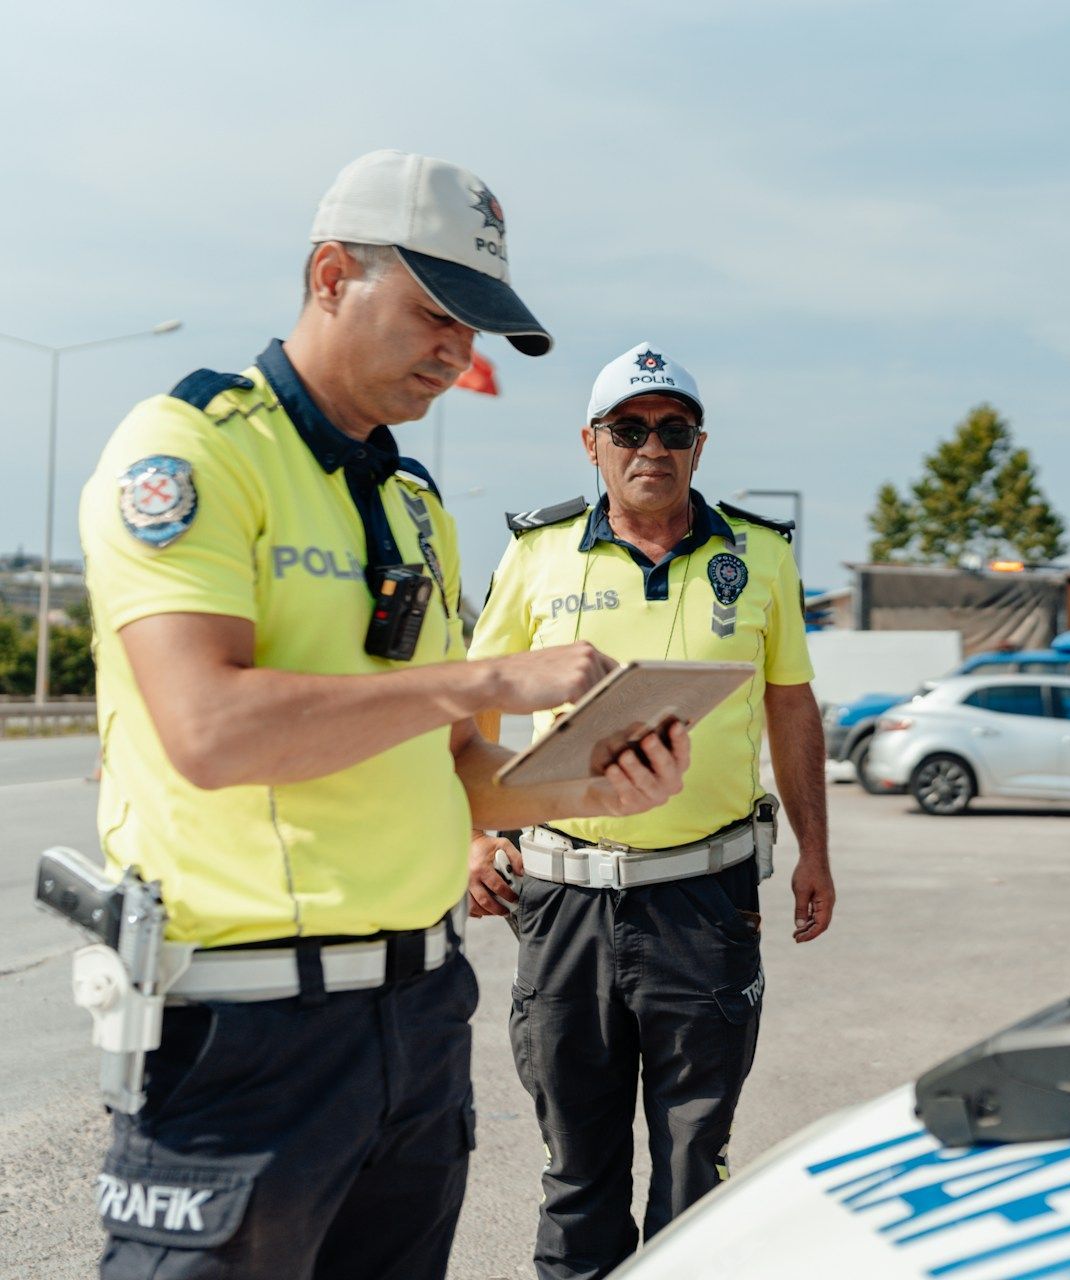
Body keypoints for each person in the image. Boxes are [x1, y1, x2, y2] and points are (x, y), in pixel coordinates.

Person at [75, 150, 690, 1280]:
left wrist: (593, 783)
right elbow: (207, 729)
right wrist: (485, 681)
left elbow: (456, 766)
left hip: (417, 1019)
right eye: (435, 316)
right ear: (328, 276)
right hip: (244, 1029)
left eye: (477, 331)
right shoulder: (193, 449)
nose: (459, 354)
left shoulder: (413, 503)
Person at [465, 341, 833, 1276]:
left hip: (702, 903)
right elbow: (475, 699)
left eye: (673, 431)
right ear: (591, 442)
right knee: (578, 1177)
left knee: (693, 1178)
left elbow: (790, 702)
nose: (651, 449)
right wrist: (473, 833)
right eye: (629, 429)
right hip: (562, 903)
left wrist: (815, 854)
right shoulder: (537, 553)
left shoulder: (758, 555)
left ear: (699, 447)